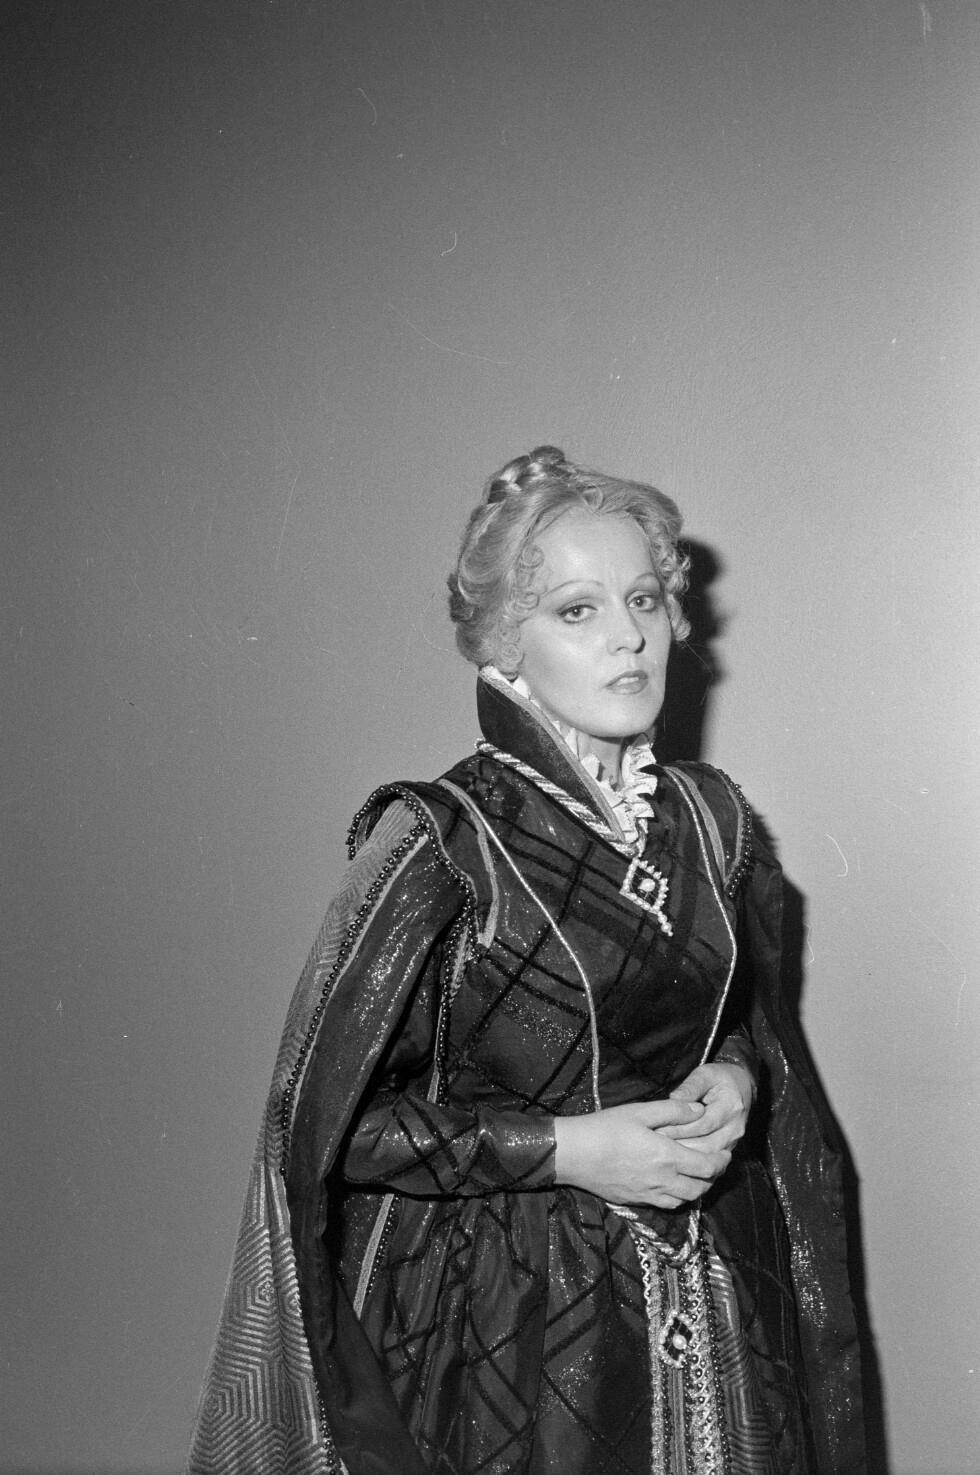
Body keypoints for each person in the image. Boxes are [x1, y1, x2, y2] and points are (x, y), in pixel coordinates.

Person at [188, 447, 866, 1475]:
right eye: (576, 609)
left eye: (643, 599)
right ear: (506, 638)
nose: (628, 634)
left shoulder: (711, 819)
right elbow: (329, 1127)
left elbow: (736, 1018)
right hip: (505, 1316)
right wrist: (567, 1149)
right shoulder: (439, 841)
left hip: (712, 1276)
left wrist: (734, 1074)